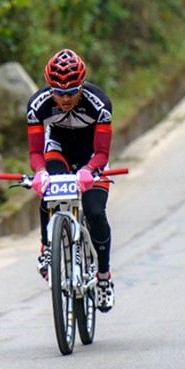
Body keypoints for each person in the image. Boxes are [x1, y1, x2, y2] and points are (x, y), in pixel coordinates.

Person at [26, 49, 116, 312]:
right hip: (58, 149)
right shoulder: (37, 105)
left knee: (95, 212)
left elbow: (102, 153)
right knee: (49, 188)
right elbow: (34, 152)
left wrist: (89, 170)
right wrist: (40, 172)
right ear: (49, 87)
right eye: (58, 92)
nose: (65, 98)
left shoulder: (99, 104)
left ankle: (103, 278)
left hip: (91, 155)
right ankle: (47, 247)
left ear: (82, 85)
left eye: (72, 91)